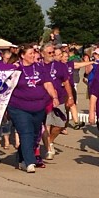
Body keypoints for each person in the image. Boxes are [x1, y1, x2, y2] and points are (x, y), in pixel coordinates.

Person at [7, 44, 59, 173]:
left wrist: (54, 96)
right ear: (22, 55)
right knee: (26, 133)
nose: (33, 56)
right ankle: (30, 162)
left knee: (35, 134)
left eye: (33, 53)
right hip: (19, 107)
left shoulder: (39, 68)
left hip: (38, 107)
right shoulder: (15, 69)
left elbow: (47, 83)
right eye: (30, 53)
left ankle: (21, 158)